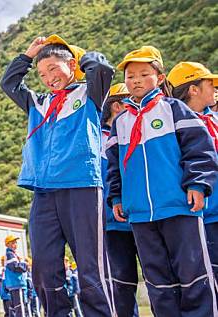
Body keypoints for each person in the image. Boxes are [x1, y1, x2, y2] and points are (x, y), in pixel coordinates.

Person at [0, 34, 114, 316]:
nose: (48, 77)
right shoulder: (37, 103)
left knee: (90, 266)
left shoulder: (90, 94)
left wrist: (74, 53)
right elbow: (9, 83)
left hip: (82, 186)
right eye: (41, 73)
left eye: (53, 68)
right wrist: (29, 55)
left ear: (72, 65)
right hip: (43, 191)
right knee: (43, 266)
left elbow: (101, 68)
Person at [106, 46, 218, 316]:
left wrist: (197, 184)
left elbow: (199, 150)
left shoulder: (174, 109)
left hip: (180, 206)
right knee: (157, 281)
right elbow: (113, 166)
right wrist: (117, 197)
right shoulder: (120, 122)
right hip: (141, 215)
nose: (136, 80)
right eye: (130, 75)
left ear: (159, 77)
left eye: (144, 74)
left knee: (194, 275)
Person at [168, 61, 218, 286]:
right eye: (210, 84)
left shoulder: (213, 120)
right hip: (203, 216)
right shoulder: (174, 126)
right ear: (193, 89)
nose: (215, 89)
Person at [101, 83, 141, 317]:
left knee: (160, 279)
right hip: (113, 223)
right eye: (131, 100)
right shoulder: (96, 137)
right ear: (118, 106)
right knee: (122, 285)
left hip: (146, 217)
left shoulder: (143, 129)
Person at [4, 236, 28, 317]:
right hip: (17, 283)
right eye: (13, 242)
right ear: (7, 244)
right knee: (20, 308)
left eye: (15, 242)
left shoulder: (12, 254)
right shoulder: (10, 254)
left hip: (14, 284)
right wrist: (25, 265)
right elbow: (15, 266)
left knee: (15, 307)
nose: (15, 244)